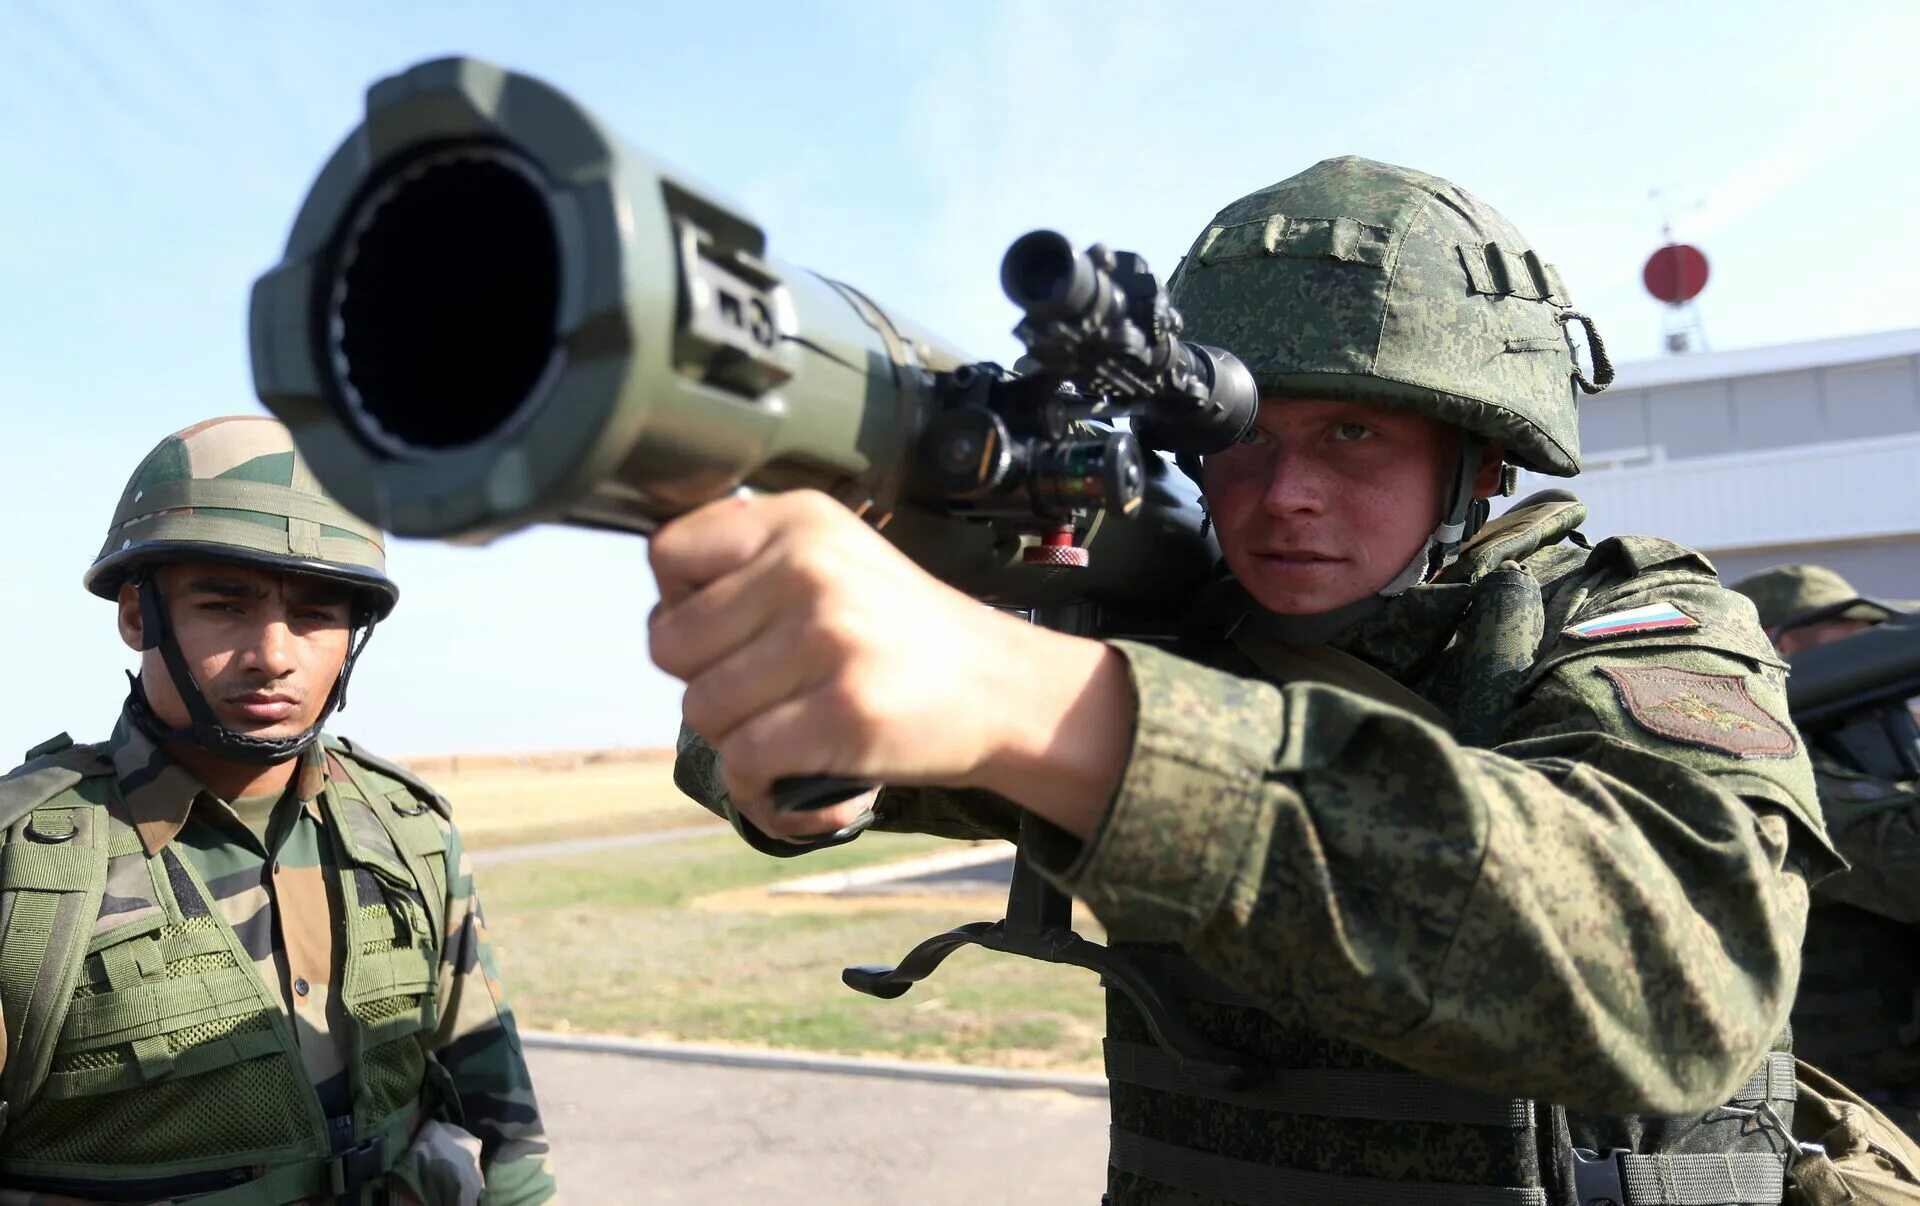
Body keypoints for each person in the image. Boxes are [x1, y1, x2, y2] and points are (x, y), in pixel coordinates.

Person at [659, 156, 1835, 1204]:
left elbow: (1682, 978)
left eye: (1354, 437)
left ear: (1477, 458)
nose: (1283, 497)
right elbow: (730, 749)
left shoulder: (1622, 629)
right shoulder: (1175, 637)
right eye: (1244, 440)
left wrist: (1045, 704)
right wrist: (816, 747)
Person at [0, 417, 554, 1204]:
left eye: (317, 614)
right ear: (137, 615)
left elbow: (507, 1132)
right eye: (225, 606)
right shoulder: (25, 867)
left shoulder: (406, 831)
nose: (275, 654)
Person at [1731, 564, 1920, 1142]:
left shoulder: (1866, 738)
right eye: (1841, 627)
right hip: (1859, 1115)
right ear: (1782, 643)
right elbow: (1908, 868)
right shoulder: (1768, 763)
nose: (1862, 640)